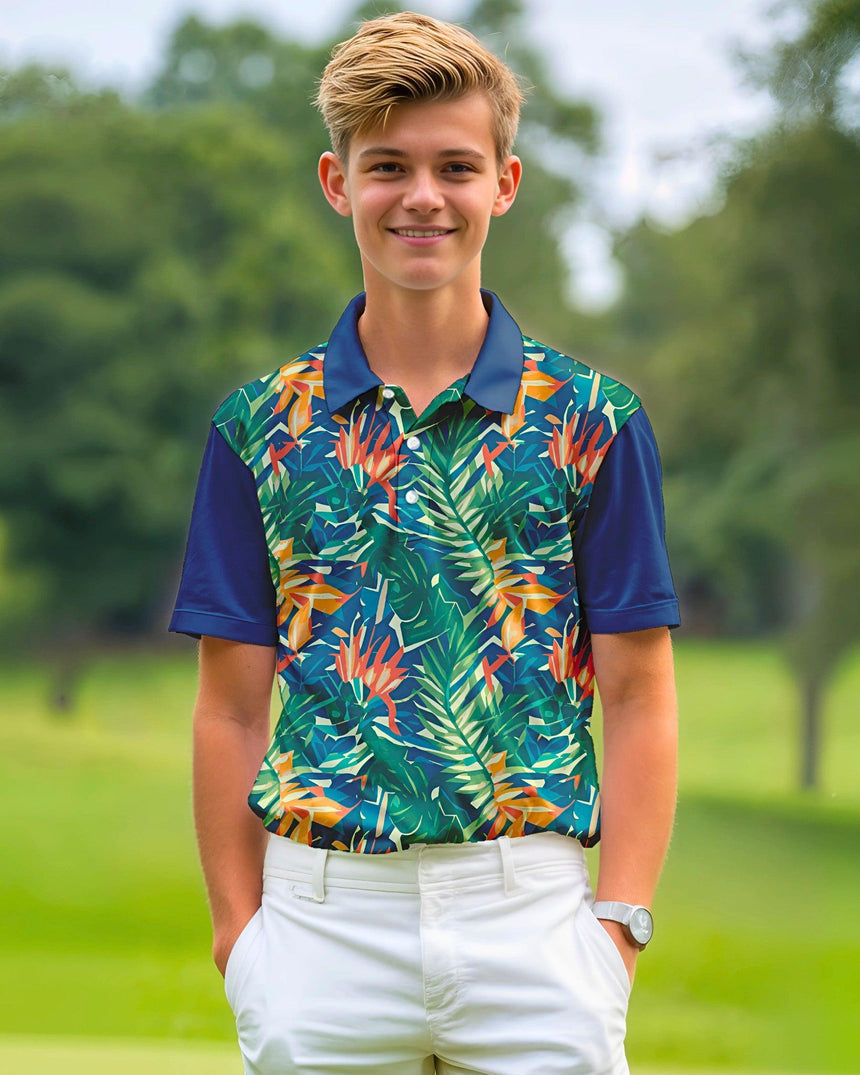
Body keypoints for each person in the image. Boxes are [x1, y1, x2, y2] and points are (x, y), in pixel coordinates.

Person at [169, 11, 679, 1075]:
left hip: (531, 921)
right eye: (386, 166)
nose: (420, 197)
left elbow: (638, 693)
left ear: (503, 183)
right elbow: (228, 703)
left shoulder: (593, 421)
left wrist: (617, 923)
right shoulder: (257, 428)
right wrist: (240, 935)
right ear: (334, 181)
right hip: (318, 922)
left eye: (454, 166)